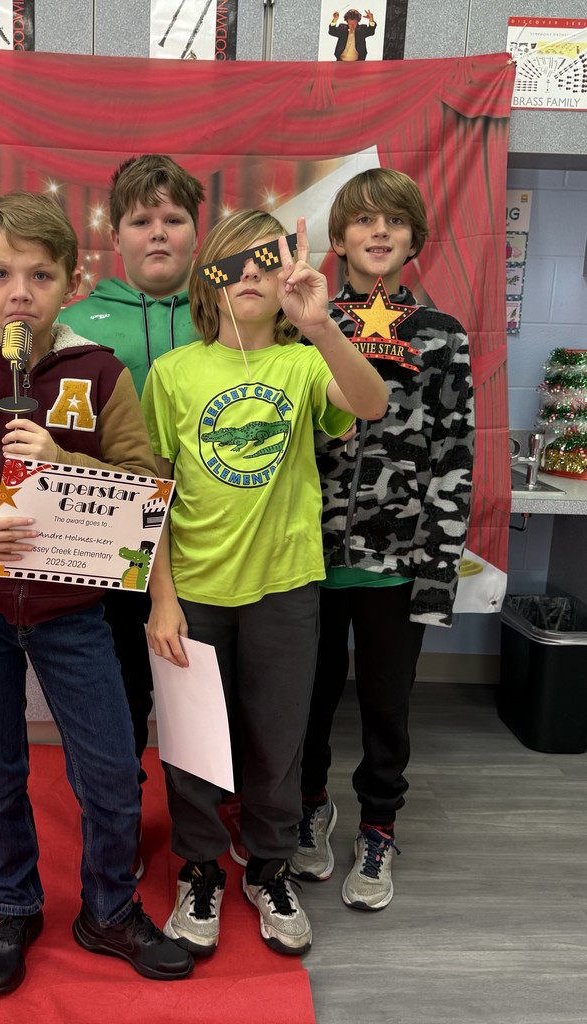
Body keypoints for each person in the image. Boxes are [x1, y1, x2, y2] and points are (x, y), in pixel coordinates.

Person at [0, 191, 194, 994]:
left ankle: (108, 909)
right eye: (1, 274)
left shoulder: (100, 373)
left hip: (72, 611)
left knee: (111, 771)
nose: (21, 292)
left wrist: (63, 460)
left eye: (41, 275)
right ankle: (15, 907)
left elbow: (145, 486)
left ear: (71, 283)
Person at [142, 211, 388, 958]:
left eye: (265, 261)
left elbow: (370, 403)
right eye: (231, 263)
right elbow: (154, 490)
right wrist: (161, 599)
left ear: (285, 275)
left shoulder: (302, 363)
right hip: (195, 590)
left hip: (285, 587)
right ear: (207, 281)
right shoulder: (172, 373)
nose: (248, 274)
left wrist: (320, 326)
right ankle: (199, 867)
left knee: (278, 739)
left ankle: (269, 865)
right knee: (193, 745)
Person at [290, 168, 474, 911]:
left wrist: (436, 571)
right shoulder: (306, 321)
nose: (378, 232)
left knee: (385, 705)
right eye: (363, 220)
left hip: (396, 564)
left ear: (413, 239)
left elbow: (454, 453)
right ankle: (309, 805)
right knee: (306, 701)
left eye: (393, 221)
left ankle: (377, 827)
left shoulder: (440, 335)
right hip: (306, 558)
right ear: (337, 238)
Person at [59, 154, 206, 875]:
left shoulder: (230, 318)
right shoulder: (71, 324)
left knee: (197, 691)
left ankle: (203, 825)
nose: (158, 233)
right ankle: (116, 817)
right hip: (106, 540)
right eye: (142, 220)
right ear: (114, 234)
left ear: (196, 232)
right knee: (115, 695)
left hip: (209, 539)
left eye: (173, 219)